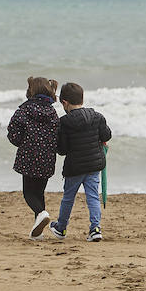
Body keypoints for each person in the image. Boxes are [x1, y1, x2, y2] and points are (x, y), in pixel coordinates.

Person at [45, 82, 112, 242]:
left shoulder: (64, 122)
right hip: (94, 165)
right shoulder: (97, 116)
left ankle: (61, 228)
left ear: (65, 102)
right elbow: (106, 135)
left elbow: (62, 149)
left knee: (68, 197)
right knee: (93, 197)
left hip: (74, 167)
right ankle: (95, 228)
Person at [6, 76, 59, 240]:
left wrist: (23, 143)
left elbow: (13, 133)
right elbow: (58, 134)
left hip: (29, 157)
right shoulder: (52, 112)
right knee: (39, 192)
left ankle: (41, 213)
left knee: (29, 193)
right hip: (47, 158)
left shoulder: (24, 110)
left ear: (31, 91)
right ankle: (38, 231)